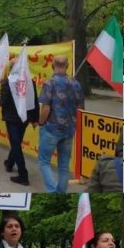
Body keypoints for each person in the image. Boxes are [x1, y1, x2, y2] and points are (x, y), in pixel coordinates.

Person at [38, 55, 84, 192]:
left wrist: (41, 122)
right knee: (64, 166)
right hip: (69, 130)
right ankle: (61, 192)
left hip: (51, 129)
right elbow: (81, 108)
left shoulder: (49, 83)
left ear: (52, 65)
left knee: (44, 162)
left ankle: (53, 192)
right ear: (68, 65)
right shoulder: (76, 83)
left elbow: (45, 108)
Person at [0, 59, 38, 185]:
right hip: (24, 118)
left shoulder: (7, 82)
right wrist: (35, 118)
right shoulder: (30, 81)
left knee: (15, 144)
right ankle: (9, 164)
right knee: (16, 142)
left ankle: (23, 174)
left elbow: (4, 101)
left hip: (12, 118)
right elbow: (34, 101)